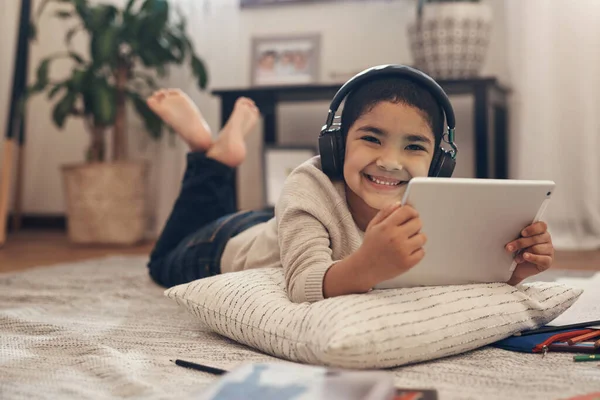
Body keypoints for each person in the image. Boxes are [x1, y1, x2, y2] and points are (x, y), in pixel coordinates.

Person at [145, 72, 554, 304]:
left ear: (439, 163)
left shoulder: (430, 201)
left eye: (414, 147)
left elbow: (451, 277)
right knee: (163, 260)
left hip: (281, 224)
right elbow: (303, 286)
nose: (391, 161)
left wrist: (512, 269)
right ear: (337, 146)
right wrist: (367, 265)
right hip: (226, 245)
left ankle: (217, 151)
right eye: (372, 139)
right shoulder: (309, 182)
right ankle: (210, 156)